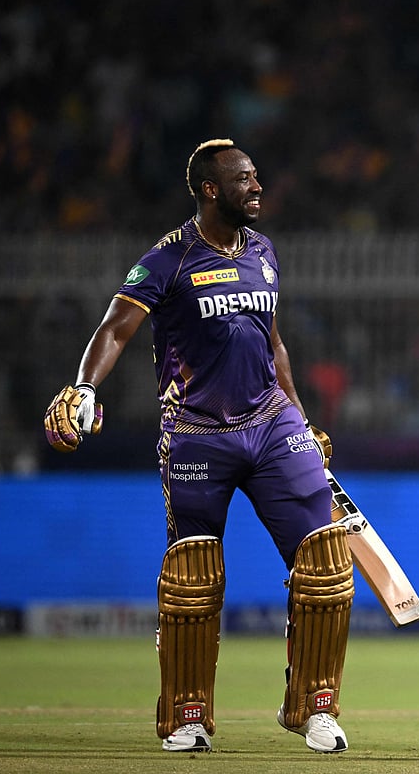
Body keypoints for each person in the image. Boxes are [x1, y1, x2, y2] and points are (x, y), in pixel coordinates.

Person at [43, 139, 353, 754]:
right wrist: (82, 388)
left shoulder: (264, 251)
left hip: (271, 427)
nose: (258, 188)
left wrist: (299, 416)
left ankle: (315, 708)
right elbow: (115, 326)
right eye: (245, 180)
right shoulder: (168, 258)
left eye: (257, 177)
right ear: (211, 190)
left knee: (324, 561)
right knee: (192, 579)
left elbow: (274, 345)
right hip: (197, 434)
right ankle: (187, 716)